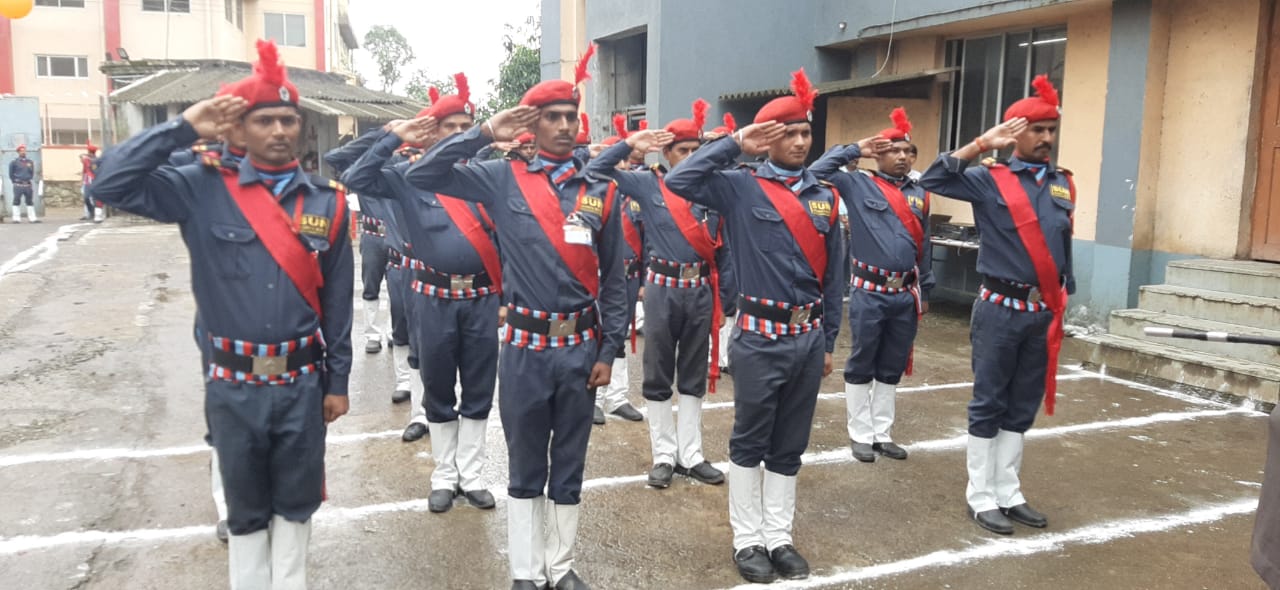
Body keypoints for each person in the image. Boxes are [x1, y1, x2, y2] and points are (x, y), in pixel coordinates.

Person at [90, 40, 352, 589]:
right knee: (246, 511)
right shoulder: (199, 187)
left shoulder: (326, 201)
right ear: (238, 129)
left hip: (302, 383)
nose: (279, 130)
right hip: (233, 386)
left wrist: (338, 382)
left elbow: (337, 302)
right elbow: (109, 183)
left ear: (301, 128)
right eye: (264, 120)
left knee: (297, 506)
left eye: (288, 120)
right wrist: (182, 128)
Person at [403, 45, 627, 590]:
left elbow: (617, 280)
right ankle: (526, 571)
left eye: (570, 115)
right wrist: (483, 132)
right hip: (526, 350)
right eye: (552, 117)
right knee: (526, 463)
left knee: (569, 461)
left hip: (580, 351)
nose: (564, 125)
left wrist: (609, 349)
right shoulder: (502, 179)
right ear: (533, 123)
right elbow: (425, 174)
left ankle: (561, 566)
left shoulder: (601, 191)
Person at [664, 69, 845, 584]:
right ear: (767, 139)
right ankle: (748, 539)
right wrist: (734, 143)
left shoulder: (826, 196)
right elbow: (679, 181)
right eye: (789, 133)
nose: (801, 142)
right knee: (750, 440)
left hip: (807, 338)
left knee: (790, 444)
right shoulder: (740, 187)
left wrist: (828, 341)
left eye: (805, 132)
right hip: (760, 338)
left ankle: (779, 536)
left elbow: (834, 278)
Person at [919, 74, 1074, 536]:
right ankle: (981, 496)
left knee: (1022, 404)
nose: (1046, 139)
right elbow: (934, 178)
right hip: (1000, 310)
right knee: (989, 401)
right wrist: (981, 144)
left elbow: (1063, 246)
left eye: (1051, 130)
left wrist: (1064, 296)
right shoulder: (989, 180)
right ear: (1015, 134)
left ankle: (1008, 491)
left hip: (1041, 312)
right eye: (1037, 130)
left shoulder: (1063, 184)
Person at [343, 73, 502, 514]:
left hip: (482, 299)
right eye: (450, 127)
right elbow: (355, 175)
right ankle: (444, 475)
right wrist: (394, 137)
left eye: (465, 127)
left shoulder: (489, 177)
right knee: (437, 387)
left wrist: (506, 301)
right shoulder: (407, 177)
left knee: (479, 389)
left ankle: (472, 475)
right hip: (432, 300)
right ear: (433, 132)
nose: (459, 135)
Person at [588, 101, 731, 489]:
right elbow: (598, 170)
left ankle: (692, 454)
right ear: (666, 153)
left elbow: (726, 249)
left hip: (700, 291)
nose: (691, 156)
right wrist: (630, 145)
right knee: (657, 374)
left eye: (696, 149)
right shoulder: (648, 184)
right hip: (662, 290)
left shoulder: (714, 188)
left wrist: (724, 301)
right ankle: (664, 455)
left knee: (693, 376)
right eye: (682, 150)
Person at [809, 107, 932, 463]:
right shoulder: (857, 183)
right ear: (878, 154)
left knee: (892, 364)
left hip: (905, 293)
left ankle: (883, 433)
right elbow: (815, 172)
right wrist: (853, 150)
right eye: (894, 150)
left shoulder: (920, 193)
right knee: (862, 360)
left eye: (907, 151)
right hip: (870, 292)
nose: (902, 157)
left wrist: (926, 287)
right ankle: (860, 434)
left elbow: (924, 245)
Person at [323, 123, 417, 406]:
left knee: (402, 303)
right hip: (375, 234)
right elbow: (334, 158)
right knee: (372, 286)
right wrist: (382, 135)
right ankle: (374, 335)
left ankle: (395, 343)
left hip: (406, 242)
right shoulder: (368, 165)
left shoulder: (406, 166)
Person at [592, 114, 647, 426]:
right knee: (598, 334)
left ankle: (617, 397)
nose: (622, 166)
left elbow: (648, 239)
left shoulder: (636, 197)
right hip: (600, 278)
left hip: (630, 276)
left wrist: (644, 278)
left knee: (619, 335)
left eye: (624, 161)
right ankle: (595, 399)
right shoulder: (592, 195)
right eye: (617, 160)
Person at [9, 144, 38, 223]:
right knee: (16, 200)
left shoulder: (30, 162)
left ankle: (32, 218)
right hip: (18, 184)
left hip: (28, 185)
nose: (23, 152)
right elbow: (11, 174)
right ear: (18, 152)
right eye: (21, 151)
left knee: (29, 201)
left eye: (24, 150)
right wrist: (15, 181)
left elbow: (31, 173)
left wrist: (28, 179)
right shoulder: (14, 162)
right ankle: (16, 218)